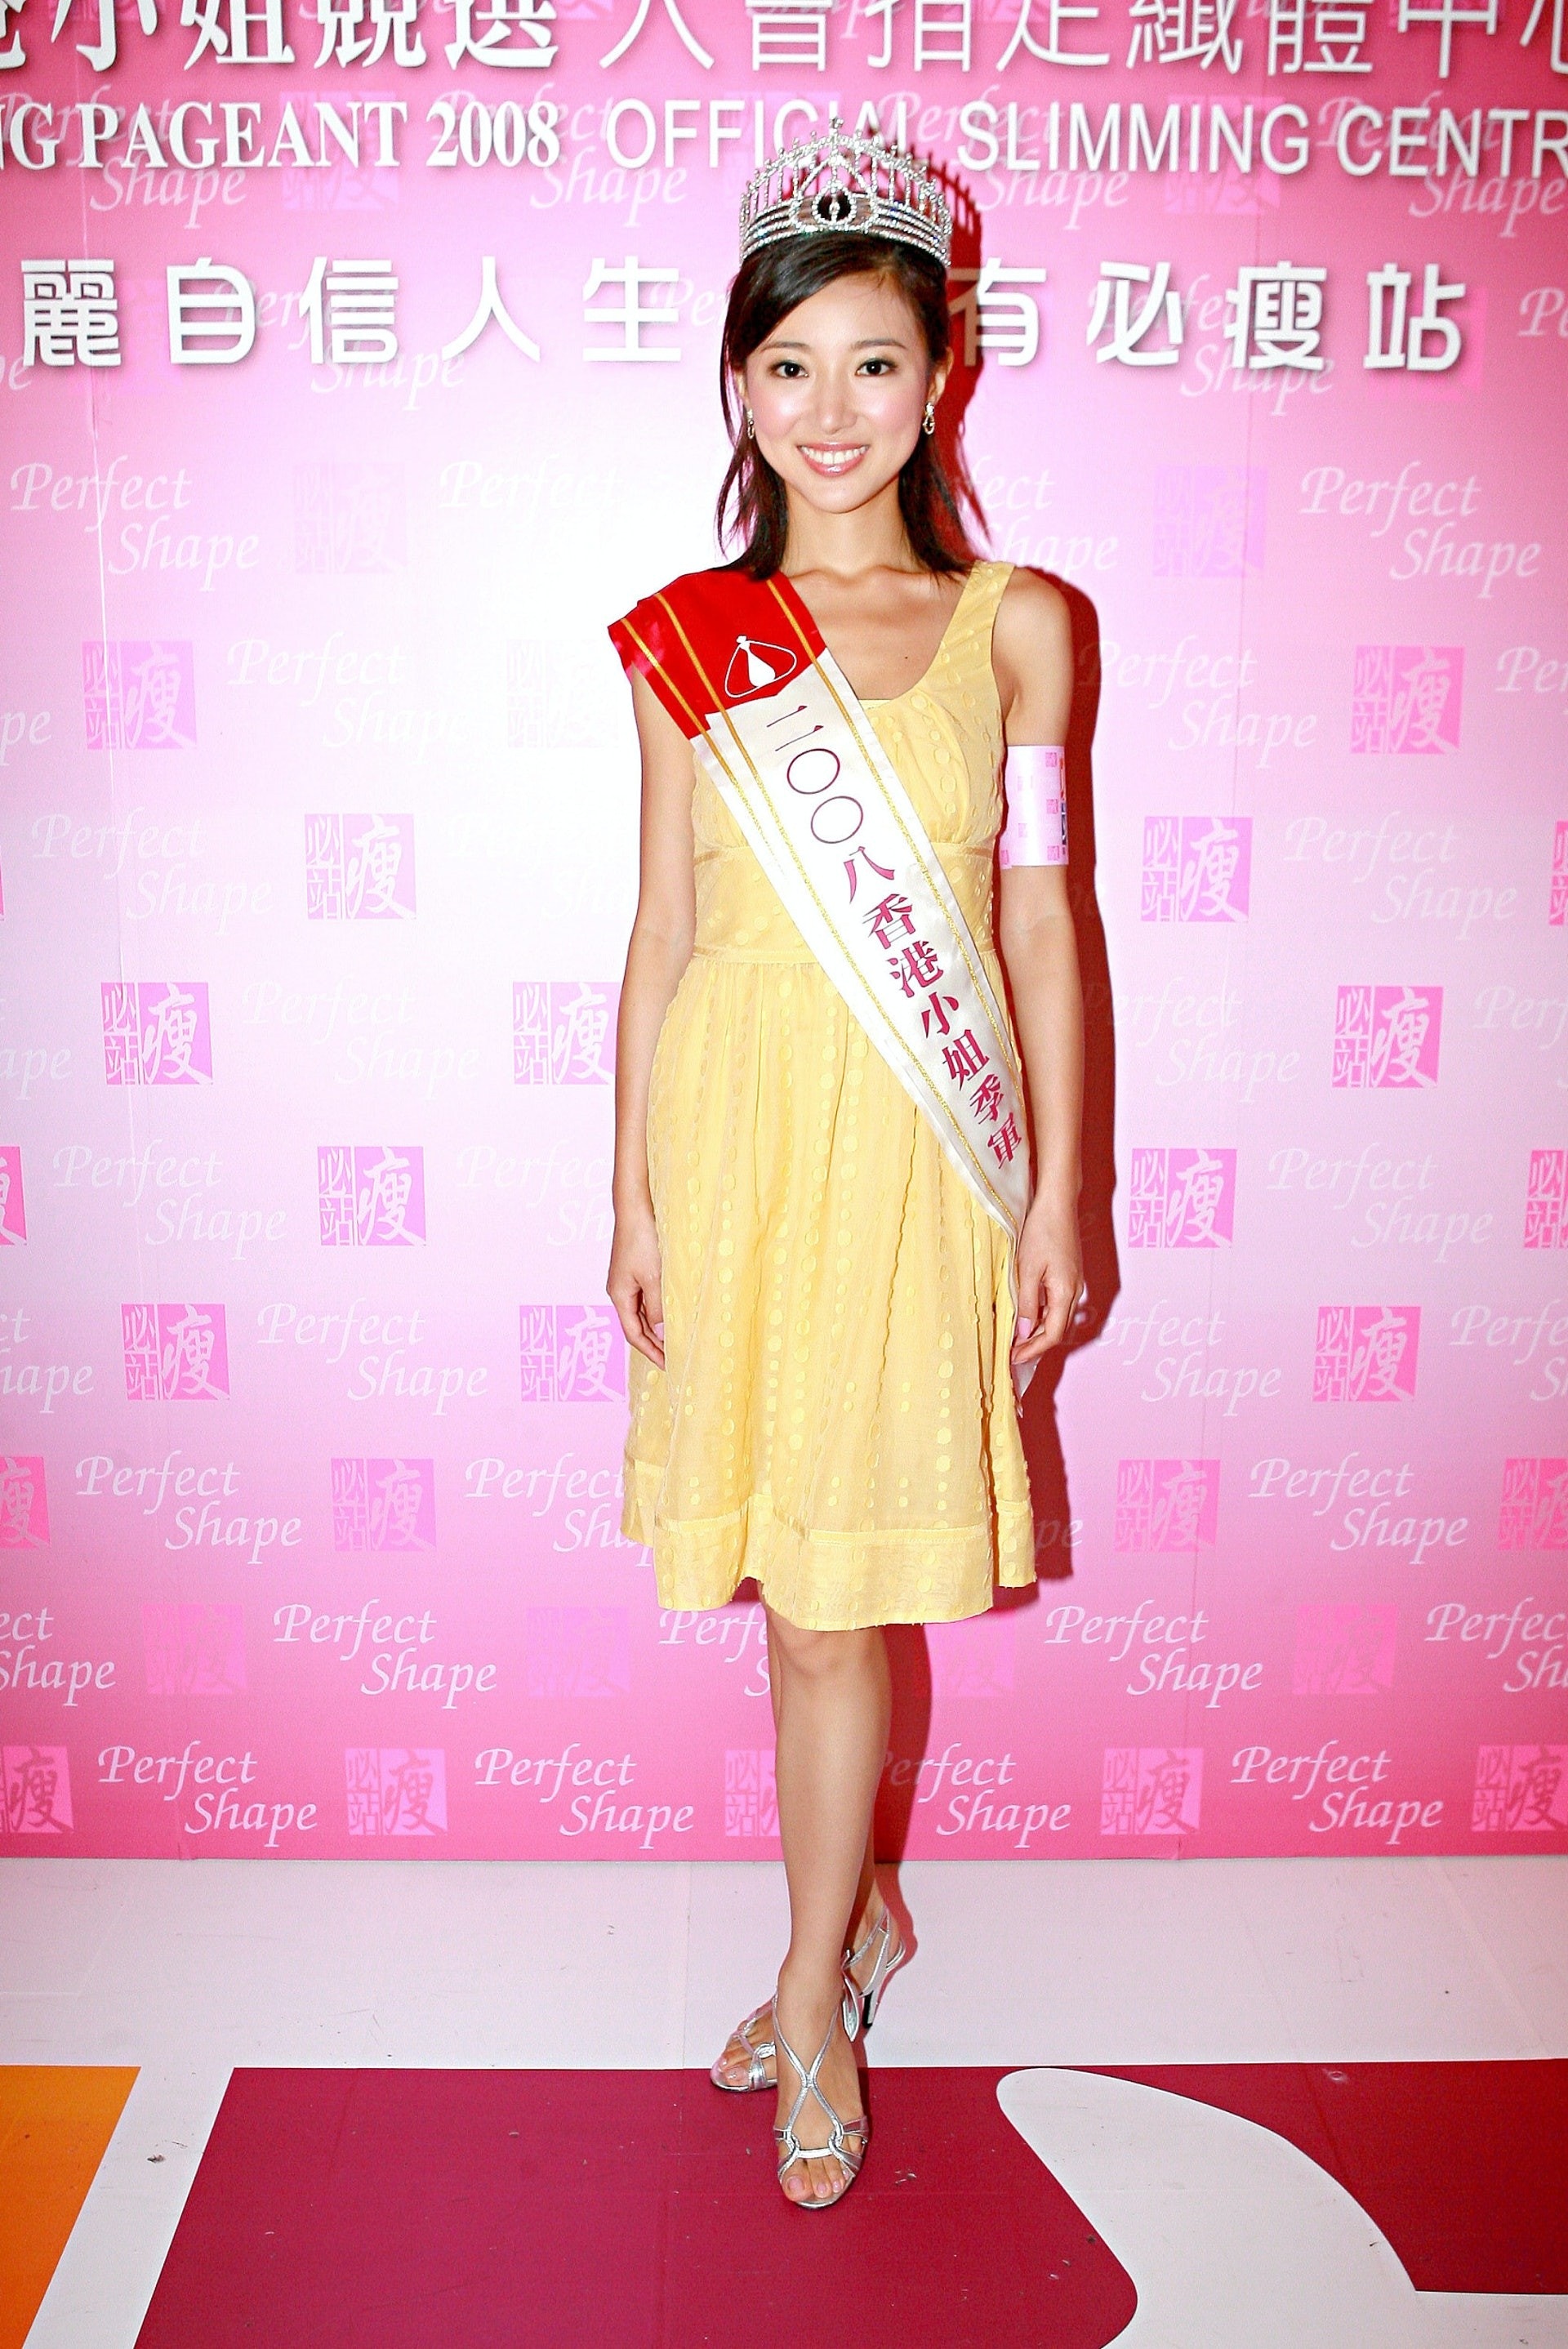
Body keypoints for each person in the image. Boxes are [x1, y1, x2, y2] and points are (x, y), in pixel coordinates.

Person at [604, 124, 1085, 2212]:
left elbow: (1042, 919)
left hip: (915, 1158)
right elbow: (661, 928)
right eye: (788, 366)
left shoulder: (1020, 625)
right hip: (739, 1149)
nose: (829, 409)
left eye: (872, 362)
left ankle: (813, 1987)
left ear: (941, 373)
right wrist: (631, 1194)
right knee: (796, 1599)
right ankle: (848, 1924)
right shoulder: (688, 643)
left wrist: (1060, 1190)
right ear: (738, 383)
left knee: (843, 1597)